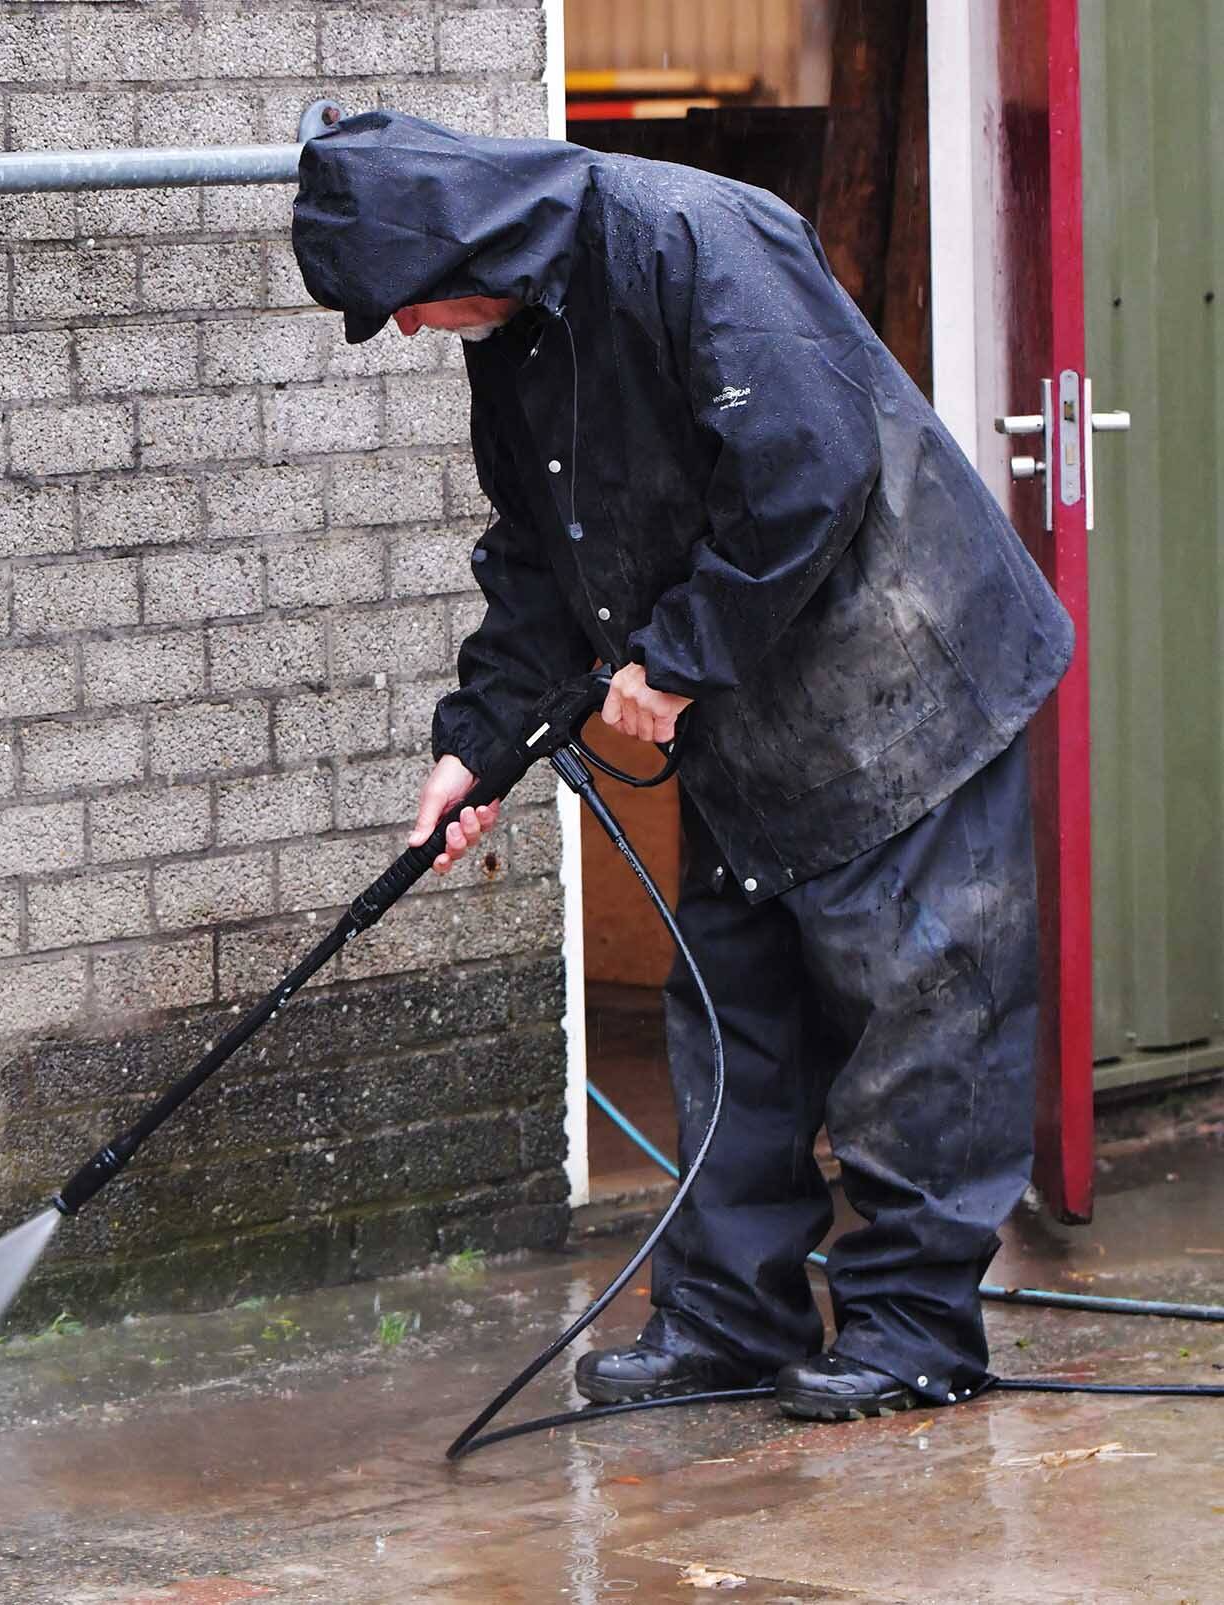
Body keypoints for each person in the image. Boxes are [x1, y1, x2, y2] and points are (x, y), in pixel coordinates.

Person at [292, 112, 1072, 1421]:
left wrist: (676, 658)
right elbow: (543, 560)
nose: (414, 333)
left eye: (405, 307)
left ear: (454, 244)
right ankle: (727, 1320)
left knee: (918, 1018)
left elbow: (807, 473)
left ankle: (912, 1332)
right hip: (759, 721)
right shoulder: (523, 339)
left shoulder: (692, 240)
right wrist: (472, 747)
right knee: (734, 1015)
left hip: (908, 683)